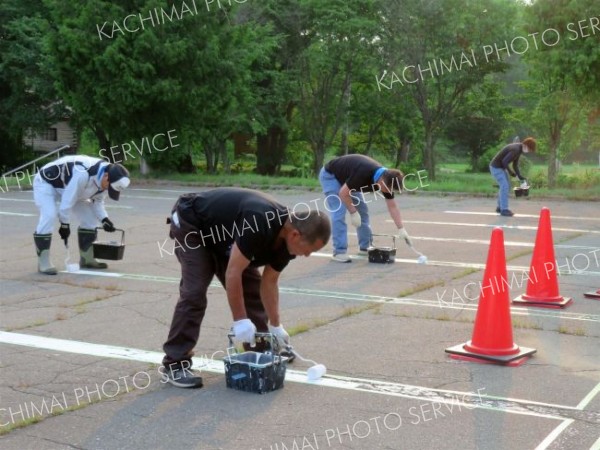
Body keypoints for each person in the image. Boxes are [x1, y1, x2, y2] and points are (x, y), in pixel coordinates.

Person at [161, 187, 331, 388]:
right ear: (295, 234)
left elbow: (269, 282)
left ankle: (258, 348)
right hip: (193, 222)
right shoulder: (259, 221)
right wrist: (240, 321)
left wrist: (276, 326)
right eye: (309, 249)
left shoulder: (286, 244)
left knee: (252, 291)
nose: (308, 255)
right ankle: (175, 364)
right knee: (195, 291)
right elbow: (233, 272)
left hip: (225, 237)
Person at [33, 155, 130, 274]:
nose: (108, 190)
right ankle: (43, 262)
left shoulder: (108, 180)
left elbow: (98, 201)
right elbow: (67, 203)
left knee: (89, 219)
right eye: (109, 187)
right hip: (47, 182)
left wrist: (104, 219)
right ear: (106, 176)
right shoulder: (84, 174)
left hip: (75, 189)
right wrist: (64, 225)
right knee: (49, 214)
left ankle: (87, 258)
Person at [318, 154, 412, 263]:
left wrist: (401, 228)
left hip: (349, 179)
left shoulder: (388, 180)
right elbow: (343, 194)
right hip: (331, 176)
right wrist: (353, 212)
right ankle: (339, 252)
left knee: (362, 211)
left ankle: (364, 247)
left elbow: (392, 206)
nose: (387, 191)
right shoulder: (363, 173)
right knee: (339, 212)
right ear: (382, 180)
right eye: (387, 188)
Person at [489, 137, 536, 217]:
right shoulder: (516, 149)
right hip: (496, 168)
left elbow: (515, 165)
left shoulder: (519, 150)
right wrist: (511, 172)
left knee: (507, 186)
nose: (529, 152)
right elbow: (504, 161)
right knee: (505, 186)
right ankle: (504, 210)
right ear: (526, 145)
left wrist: (519, 176)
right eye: (530, 149)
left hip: (500, 167)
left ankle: (499, 207)